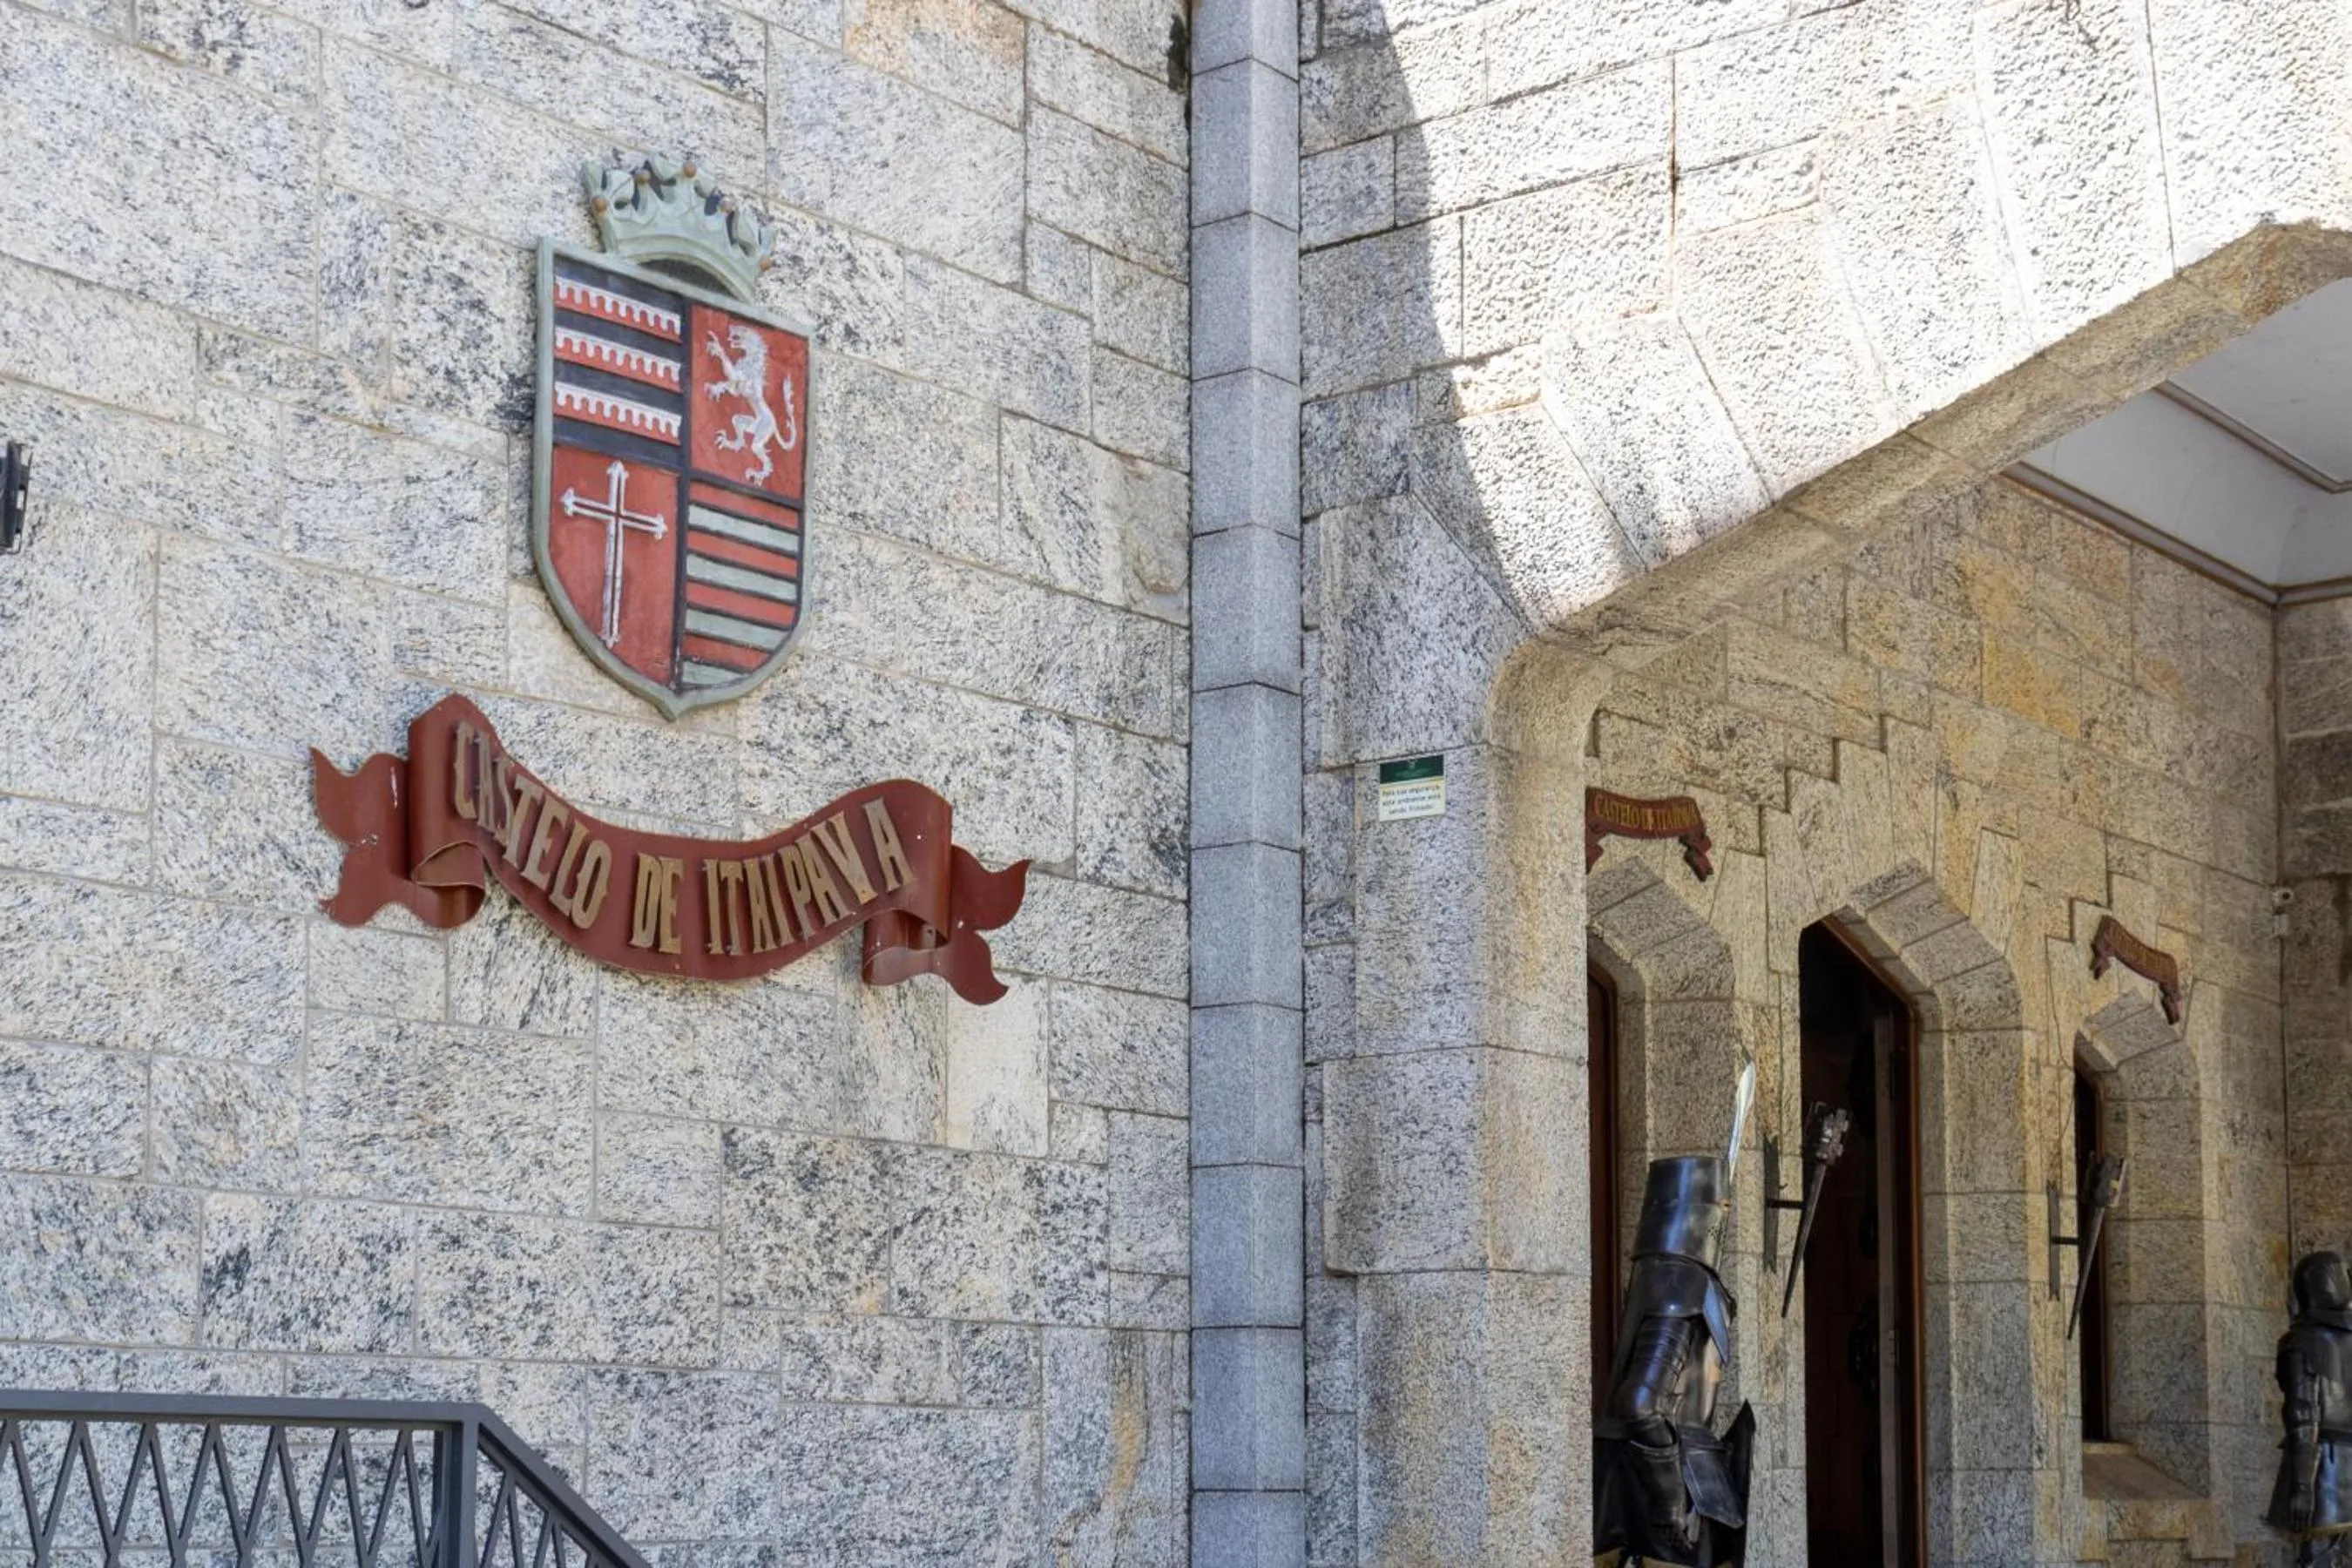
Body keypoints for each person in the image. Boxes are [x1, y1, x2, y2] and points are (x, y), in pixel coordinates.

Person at [1595, 1155, 1754, 1567]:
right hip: (1673, 1495)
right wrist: (1669, 1497)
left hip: (1669, 1484)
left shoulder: (1662, 1277)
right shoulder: (1680, 1282)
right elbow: (1640, 1402)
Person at [2270, 1251, 2352, 1568]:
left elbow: (2304, 1415)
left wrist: (2302, 1486)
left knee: (2319, 1560)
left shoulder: (2302, 1342)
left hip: (2325, 1470)